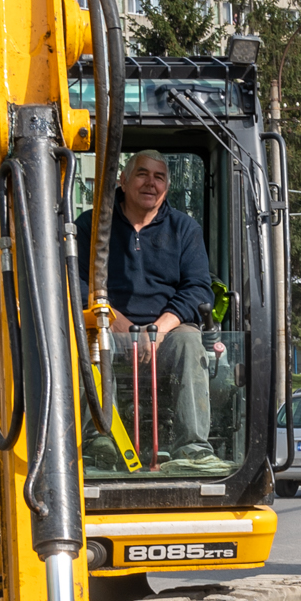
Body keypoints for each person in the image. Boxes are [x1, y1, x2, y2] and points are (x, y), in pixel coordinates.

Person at [81, 151, 224, 474]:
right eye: (142, 174)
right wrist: (116, 322)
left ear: (167, 187)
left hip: (167, 334)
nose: (151, 183)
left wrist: (157, 329)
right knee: (86, 340)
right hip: (109, 330)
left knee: (190, 341)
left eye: (159, 177)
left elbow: (198, 288)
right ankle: (98, 442)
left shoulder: (184, 229)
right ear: (123, 180)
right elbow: (73, 282)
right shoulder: (91, 226)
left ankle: (193, 449)